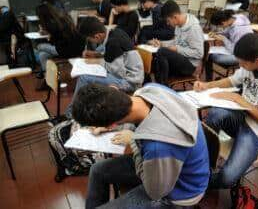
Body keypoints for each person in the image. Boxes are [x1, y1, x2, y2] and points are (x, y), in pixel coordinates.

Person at [71, 83, 210, 209]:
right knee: (97, 170)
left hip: (180, 192)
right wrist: (111, 128)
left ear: (112, 124)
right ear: (114, 89)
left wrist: (133, 139)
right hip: (172, 165)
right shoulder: (151, 90)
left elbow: (155, 193)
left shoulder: (158, 146)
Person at [194, 33, 258, 189]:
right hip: (243, 116)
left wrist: (238, 99)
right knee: (214, 115)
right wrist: (207, 85)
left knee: (227, 178)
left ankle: (197, 183)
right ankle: (202, 163)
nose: (240, 67)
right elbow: (232, 80)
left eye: (243, 64)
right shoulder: (252, 64)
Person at [65, 17, 144, 118]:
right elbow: (113, 56)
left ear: (97, 36)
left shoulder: (113, 43)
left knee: (84, 77)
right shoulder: (115, 32)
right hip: (132, 75)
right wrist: (97, 54)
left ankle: (72, 112)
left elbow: (118, 74)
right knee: (88, 77)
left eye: (90, 39)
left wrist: (98, 64)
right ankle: (83, 110)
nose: (92, 42)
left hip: (130, 82)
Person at [150, 0, 204, 85]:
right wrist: (162, 43)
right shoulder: (178, 25)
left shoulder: (194, 28)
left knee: (162, 52)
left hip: (190, 66)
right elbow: (175, 42)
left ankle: (163, 86)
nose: (167, 24)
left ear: (175, 17)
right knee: (154, 59)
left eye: (168, 20)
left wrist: (177, 49)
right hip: (180, 60)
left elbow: (199, 53)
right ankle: (160, 86)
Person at [35, 3, 84, 88]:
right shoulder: (63, 18)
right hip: (78, 49)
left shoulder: (51, 24)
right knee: (42, 55)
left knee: (39, 47)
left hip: (65, 51)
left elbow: (53, 43)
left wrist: (48, 35)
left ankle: (46, 75)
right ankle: (48, 79)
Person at [205, 9, 253, 81]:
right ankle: (209, 80)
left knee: (209, 55)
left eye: (220, 26)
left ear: (223, 22)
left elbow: (235, 51)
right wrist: (217, 33)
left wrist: (224, 39)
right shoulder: (235, 18)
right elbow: (228, 31)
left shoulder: (238, 30)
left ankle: (209, 80)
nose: (221, 28)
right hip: (236, 50)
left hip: (242, 56)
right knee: (209, 53)